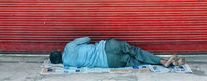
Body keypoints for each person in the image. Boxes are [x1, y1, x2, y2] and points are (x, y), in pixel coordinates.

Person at [49, 37, 185, 68]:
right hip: (107, 48)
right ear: (58, 51)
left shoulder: (68, 64)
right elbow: (87, 38)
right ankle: (162, 61)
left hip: (109, 63)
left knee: (135, 61)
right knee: (135, 51)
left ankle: (167, 63)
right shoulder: (69, 46)